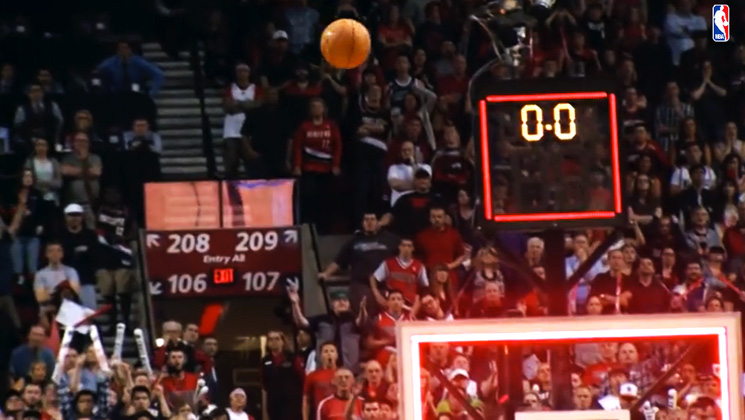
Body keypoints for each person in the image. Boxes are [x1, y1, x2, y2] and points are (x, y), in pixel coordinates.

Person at [318, 213, 398, 316]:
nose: (369, 222)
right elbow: (339, 261)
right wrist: (326, 274)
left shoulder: (390, 239)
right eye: (366, 219)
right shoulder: (354, 241)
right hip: (360, 285)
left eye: (372, 219)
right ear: (363, 223)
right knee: (363, 312)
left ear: (377, 222)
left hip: (384, 285)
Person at [59, 203, 100, 309]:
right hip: (66, 281)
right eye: (71, 215)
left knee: (89, 311)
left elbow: (95, 255)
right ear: (65, 217)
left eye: (77, 215)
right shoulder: (60, 236)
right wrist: (75, 252)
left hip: (86, 279)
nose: (74, 218)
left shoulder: (90, 235)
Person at [261, 330, 303, 420]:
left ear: (283, 342)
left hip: (292, 402)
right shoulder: (265, 360)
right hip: (273, 402)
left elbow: (302, 378)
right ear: (267, 343)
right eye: (271, 339)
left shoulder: (293, 358)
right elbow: (264, 383)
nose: (274, 341)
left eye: (277, 339)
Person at [96, 41, 164, 97]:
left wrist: (153, 93)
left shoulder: (138, 62)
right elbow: (98, 72)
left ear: (130, 50)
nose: (124, 51)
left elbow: (158, 74)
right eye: (121, 49)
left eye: (126, 48)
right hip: (116, 93)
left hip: (136, 91)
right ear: (117, 51)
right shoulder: (109, 64)